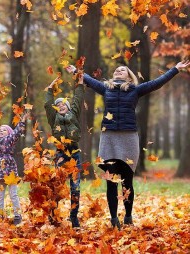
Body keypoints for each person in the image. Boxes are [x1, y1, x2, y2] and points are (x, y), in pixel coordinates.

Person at [66, 60, 190, 229]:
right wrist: (75, 71)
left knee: (127, 180)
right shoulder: (106, 88)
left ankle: (128, 216)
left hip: (129, 137)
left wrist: (175, 69)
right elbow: (88, 79)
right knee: (111, 180)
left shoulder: (135, 89)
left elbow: (156, 83)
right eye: (116, 70)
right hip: (108, 137)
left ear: (129, 76)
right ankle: (113, 219)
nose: (118, 71)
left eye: (122, 70)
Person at [44, 74, 85, 228]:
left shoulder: (73, 114)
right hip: (61, 155)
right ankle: (53, 216)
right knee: (57, 186)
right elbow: (48, 104)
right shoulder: (53, 118)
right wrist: (50, 89)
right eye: (58, 104)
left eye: (63, 104)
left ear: (68, 107)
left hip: (75, 154)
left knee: (75, 187)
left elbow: (77, 100)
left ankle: (74, 217)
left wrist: (80, 84)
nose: (61, 105)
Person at [0, 111, 29, 225]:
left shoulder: (10, 139)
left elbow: (17, 132)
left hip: (10, 171)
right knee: (0, 195)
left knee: (13, 194)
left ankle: (17, 216)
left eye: (4, 130)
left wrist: (22, 121)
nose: (0, 131)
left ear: (8, 133)